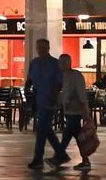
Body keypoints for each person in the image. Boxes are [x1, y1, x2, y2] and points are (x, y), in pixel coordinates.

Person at [24, 39, 67, 170]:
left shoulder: (55, 64)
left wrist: (53, 98)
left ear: (48, 48)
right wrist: (27, 90)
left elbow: (59, 83)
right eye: (39, 47)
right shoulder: (34, 63)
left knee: (42, 128)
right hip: (38, 99)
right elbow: (30, 79)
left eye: (43, 47)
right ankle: (60, 154)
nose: (41, 49)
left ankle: (38, 158)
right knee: (45, 128)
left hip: (48, 99)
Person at [58, 52, 94, 171]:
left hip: (76, 111)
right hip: (69, 111)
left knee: (67, 135)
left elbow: (81, 94)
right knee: (78, 137)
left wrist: (85, 111)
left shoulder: (76, 76)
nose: (61, 64)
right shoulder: (64, 76)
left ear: (69, 63)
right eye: (60, 62)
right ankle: (85, 160)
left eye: (63, 62)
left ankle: (59, 157)